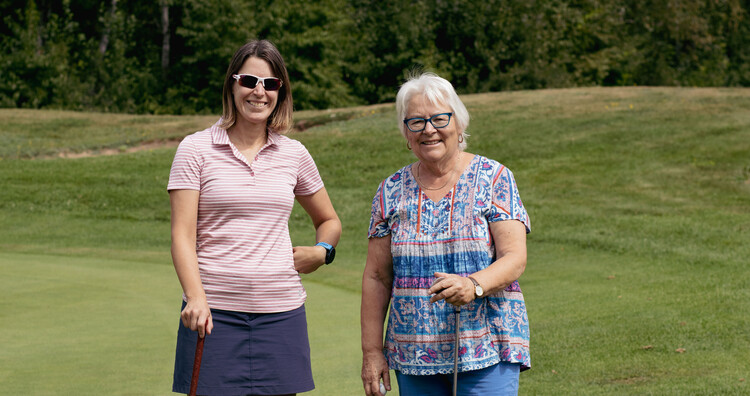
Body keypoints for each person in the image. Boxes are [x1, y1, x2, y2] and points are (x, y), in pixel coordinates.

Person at [168, 39, 342, 396]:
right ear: (232, 85)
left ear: (281, 91)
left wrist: (323, 250)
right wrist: (195, 296)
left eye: (270, 84)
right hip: (214, 314)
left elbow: (330, 220)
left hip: (281, 314)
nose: (259, 92)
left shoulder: (293, 153)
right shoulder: (195, 149)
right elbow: (182, 236)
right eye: (249, 81)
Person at [360, 73, 531, 396]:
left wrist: (473, 285)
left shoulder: (494, 178)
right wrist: (372, 352)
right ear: (406, 133)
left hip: (487, 347)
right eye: (416, 122)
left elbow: (515, 257)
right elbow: (377, 277)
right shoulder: (390, 191)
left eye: (439, 118)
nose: (429, 129)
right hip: (412, 356)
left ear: (459, 124)